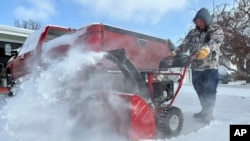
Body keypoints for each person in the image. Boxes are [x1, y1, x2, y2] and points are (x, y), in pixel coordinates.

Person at [174, 7, 224, 123]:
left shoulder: (215, 29)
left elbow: (215, 42)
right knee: (199, 90)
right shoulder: (193, 32)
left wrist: (206, 49)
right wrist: (176, 51)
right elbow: (184, 44)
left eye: (201, 21)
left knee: (210, 90)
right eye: (197, 21)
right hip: (196, 67)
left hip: (210, 67)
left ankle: (209, 113)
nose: (199, 23)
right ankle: (204, 110)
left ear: (206, 19)